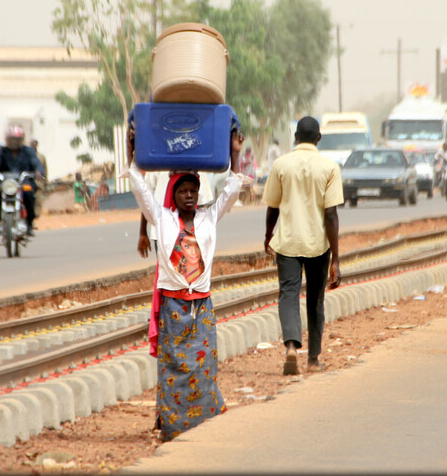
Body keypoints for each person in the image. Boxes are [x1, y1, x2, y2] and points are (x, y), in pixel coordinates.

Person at [124, 124, 244, 442]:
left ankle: (204, 421)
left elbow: (232, 188)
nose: (189, 195)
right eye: (182, 190)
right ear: (173, 195)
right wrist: (132, 149)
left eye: (193, 190)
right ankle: (173, 424)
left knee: (205, 364)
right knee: (173, 367)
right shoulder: (162, 219)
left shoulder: (209, 217)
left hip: (201, 304)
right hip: (173, 306)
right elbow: (138, 185)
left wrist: (234, 151)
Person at [263, 116, 343, 375]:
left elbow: (272, 206)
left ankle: (290, 347)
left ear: (296, 137)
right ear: (319, 137)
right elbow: (331, 214)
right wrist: (336, 259)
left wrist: (268, 235)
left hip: (287, 243)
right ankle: (313, 359)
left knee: (288, 294)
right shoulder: (330, 167)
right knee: (315, 300)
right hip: (318, 245)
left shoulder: (281, 164)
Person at [0, 126, 45, 236]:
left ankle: (29, 223)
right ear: (7, 140)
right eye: (11, 139)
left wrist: (38, 172)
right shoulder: (1, 151)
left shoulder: (28, 151)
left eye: (17, 139)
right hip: (5, 182)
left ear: (21, 140)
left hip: (23, 181)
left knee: (28, 193)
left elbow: (36, 163)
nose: (14, 142)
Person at [29, 139, 49, 218]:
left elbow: (45, 169)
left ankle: (36, 215)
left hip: (38, 182)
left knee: (38, 200)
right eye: (31, 144)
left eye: (34, 144)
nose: (33, 146)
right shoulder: (26, 156)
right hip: (28, 181)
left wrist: (46, 182)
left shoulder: (41, 157)